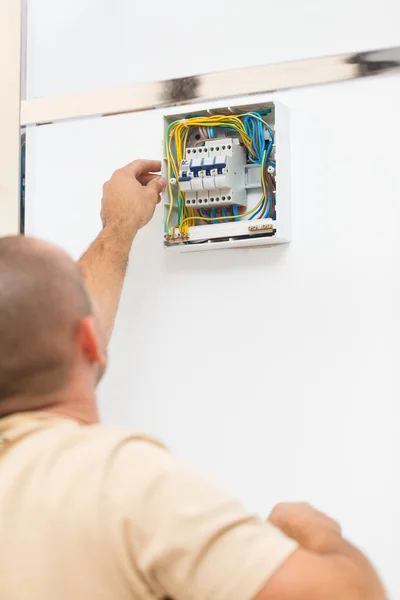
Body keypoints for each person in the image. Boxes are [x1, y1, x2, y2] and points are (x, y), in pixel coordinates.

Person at [0, 159, 386, 600]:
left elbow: (39, 325)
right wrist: (314, 530)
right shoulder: (122, 483)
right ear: (89, 341)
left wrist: (118, 228)